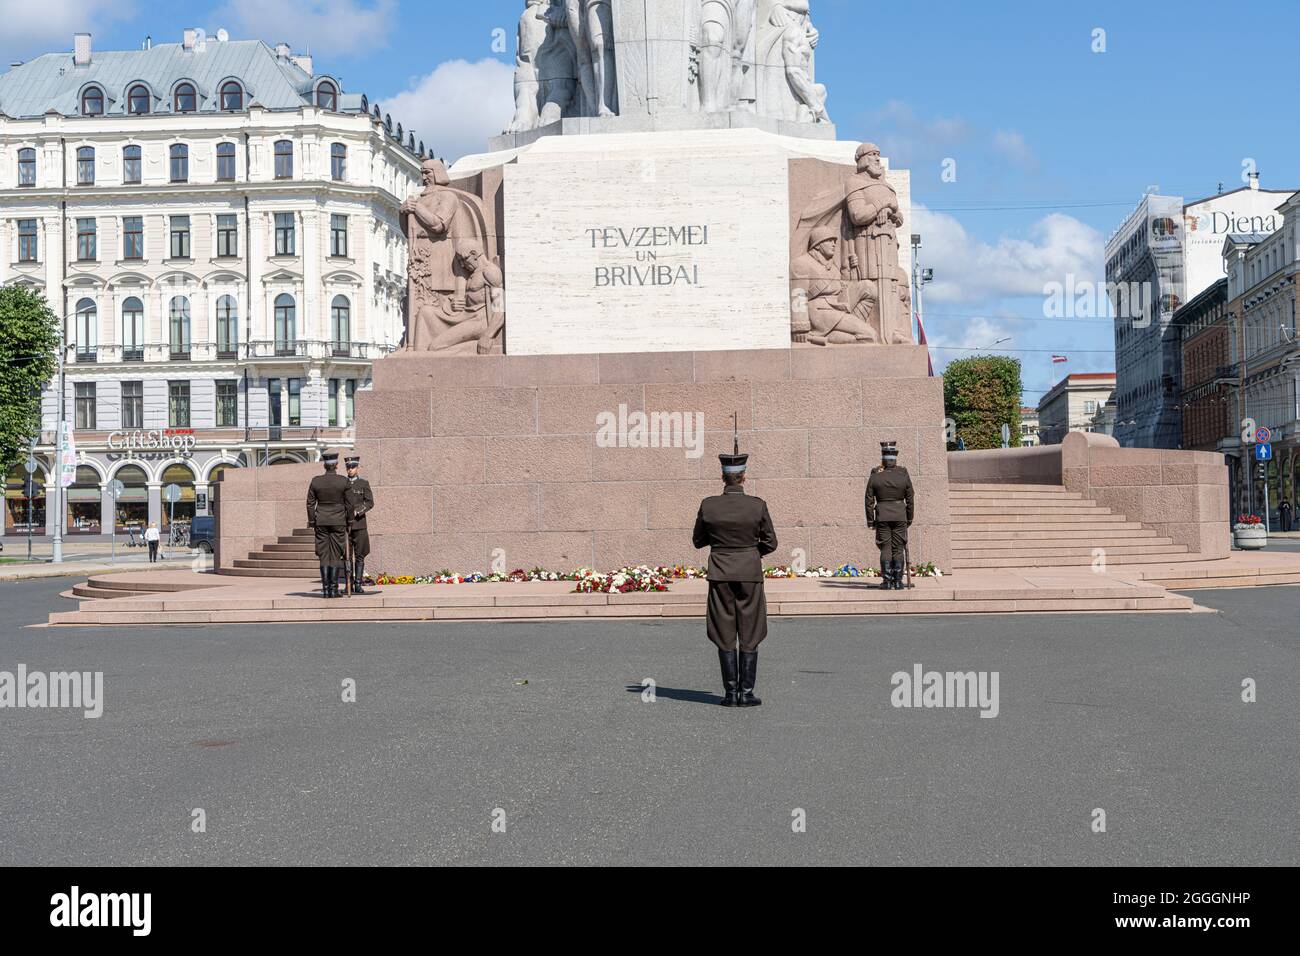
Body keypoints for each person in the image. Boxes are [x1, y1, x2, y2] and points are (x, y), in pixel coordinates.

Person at [692, 434, 778, 707]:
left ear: (723, 476)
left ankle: (730, 694)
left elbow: (698, 540)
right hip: (749, 572)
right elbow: (771, 543)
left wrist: (722, 545)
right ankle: (747, 693)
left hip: (720, 572)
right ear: (743, 476)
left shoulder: (709, 505)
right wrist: (751, 555)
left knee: (724, 630)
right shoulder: (757, 505)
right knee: (750, 630)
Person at [865, 441, 914, 589]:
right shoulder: (903, 475)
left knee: (885, 548)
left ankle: (887, 582)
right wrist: (909, 517)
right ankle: (898, 582)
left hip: (882, 516)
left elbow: (868, 499)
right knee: (898, 548)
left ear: (883, 459)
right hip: (900, 516)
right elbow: (910, 497)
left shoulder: (875, 476)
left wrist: (870, 520)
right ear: (895, 458)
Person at [306, 450, 351, 598]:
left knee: (324, 555)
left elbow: (310, 503)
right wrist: (349, 521)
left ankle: (326, 590)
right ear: (336, 465)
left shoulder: (315, 481)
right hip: (338, 521)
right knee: (336, 555)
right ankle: (334, 589)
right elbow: (349, 504)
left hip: (321, 521)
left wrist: (312, 521)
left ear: (324, 465)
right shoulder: (343, 481)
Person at [343, 456, 374, 595]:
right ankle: (348, 584)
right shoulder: (342, 483)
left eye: (352, 467)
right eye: (348, 467)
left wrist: (358, 511)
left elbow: (369, 502)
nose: (350, 469)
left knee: (359, 555)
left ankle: (358, 584)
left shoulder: (363, 483)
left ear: (357, 468)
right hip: (345, 525)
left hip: (359, 524)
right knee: (346, 556)